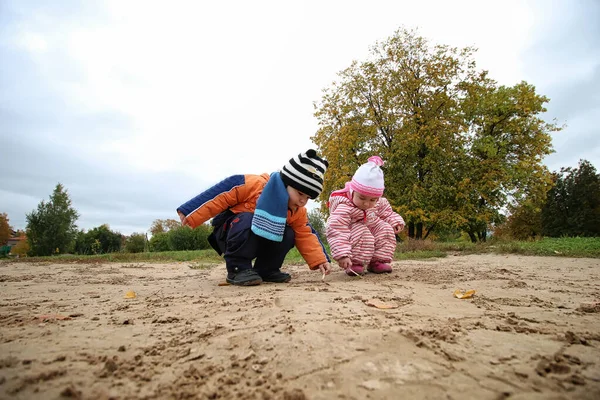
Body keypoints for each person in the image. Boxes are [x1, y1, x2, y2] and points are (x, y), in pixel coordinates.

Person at [177, 149, 332, 286]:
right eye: (300, 193)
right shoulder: (255, 185)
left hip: (261, 241)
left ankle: (267, 269)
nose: (303, 201)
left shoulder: (297, 211)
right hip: (231, 234)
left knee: (289, 232)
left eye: (308, 197)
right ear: (287, 183)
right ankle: (238, 269)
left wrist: (320, 260)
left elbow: (305, 234)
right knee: (247, 219)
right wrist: (191, 211)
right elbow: (221, 194)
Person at [326, 155, 405, 276]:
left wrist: (395, 222)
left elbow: (387, 213)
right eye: (362, 198)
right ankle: (356, 263)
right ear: (353, 191)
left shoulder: (379, 203)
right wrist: (342, 254)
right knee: (362, 231)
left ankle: (377, 261)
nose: (367, 203)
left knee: (385, 229)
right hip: (354, 233)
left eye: (373, 200)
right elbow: (336, 229)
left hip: (372, 225)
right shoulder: (344, 207)